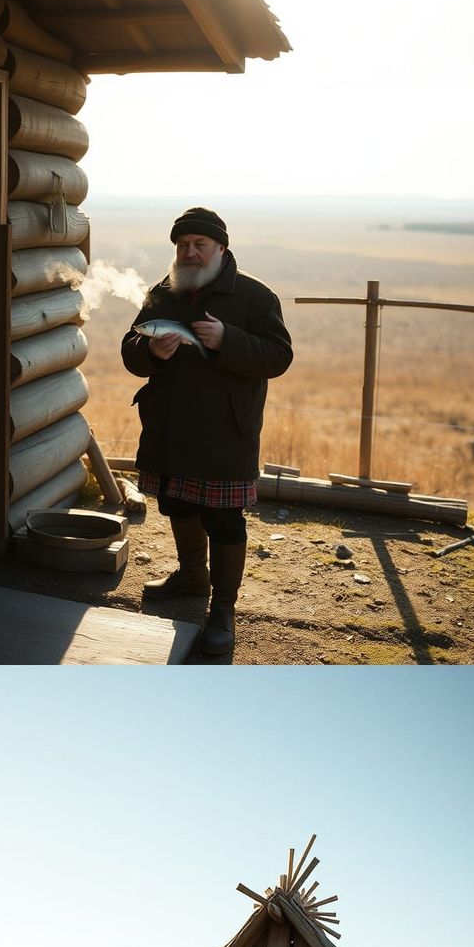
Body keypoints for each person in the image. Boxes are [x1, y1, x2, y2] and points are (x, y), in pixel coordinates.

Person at [122, 207, 293, 656]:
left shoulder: (256, 298)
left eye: (200, 245)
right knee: (176, 502)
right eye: (182, 245)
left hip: (224, 431)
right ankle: (193, 578)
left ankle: (223, 610)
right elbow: (130, 350)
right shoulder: (163, 292)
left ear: (221, 249)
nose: (190, 252)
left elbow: (279, 357)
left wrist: (227, 340)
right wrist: (151, 353)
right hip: (169, 426)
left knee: (223, 519)